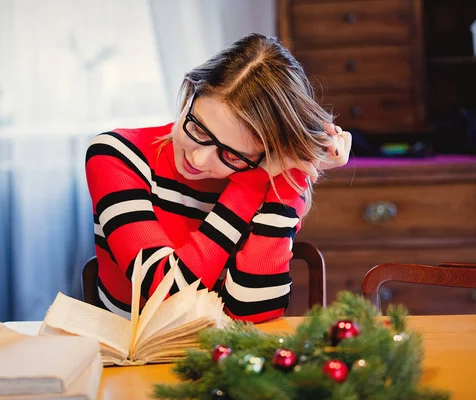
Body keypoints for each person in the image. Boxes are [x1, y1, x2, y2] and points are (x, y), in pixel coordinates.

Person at [85, 33, 351, 323]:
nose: (198, 159)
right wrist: (249, 185)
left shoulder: (270, 172)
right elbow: (166, 295)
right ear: (190, 94)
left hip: (228, 359)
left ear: (269, 153)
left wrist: (293, 172)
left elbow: (252, 309)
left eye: (232, 155)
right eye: (198, 129)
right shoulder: (117, 155)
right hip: (135, 360)